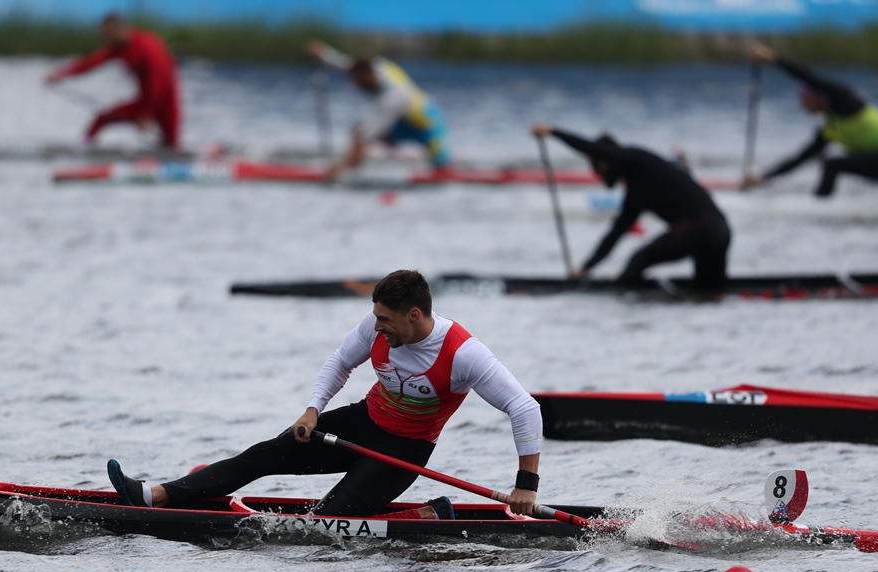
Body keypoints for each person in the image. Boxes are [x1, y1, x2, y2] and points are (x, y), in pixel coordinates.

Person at [108, 270, 543, 520]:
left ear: (414, 315)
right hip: (361, 423)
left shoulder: (463, 353)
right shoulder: (376, 325)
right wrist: (313, 410)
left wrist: (526, 485)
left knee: (327, 523)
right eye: (375, 317)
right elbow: (339, 362)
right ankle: (158, 495)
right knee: (263, 454)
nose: (377, 327)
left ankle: (427, 515)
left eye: (385, 319)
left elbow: (524, 407)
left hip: (404, 451)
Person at [531, 124, 732, 291]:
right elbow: (614, 235)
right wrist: (585, 269)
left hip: (701, 229)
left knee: (639, 260)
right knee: (707, 293)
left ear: (605, 162)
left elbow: (592, 149)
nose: (596, 174)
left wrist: (552, 132)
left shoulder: (637, 159)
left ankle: (625, 301)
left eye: (595, 166)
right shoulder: (636, 194)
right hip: (720, 231)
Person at [742, 43, 878, 197]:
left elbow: (809, 77)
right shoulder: (829, 131)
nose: (802, 104)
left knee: (833, 164)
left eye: (805, 99)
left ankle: (821, 202)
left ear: (818, 98)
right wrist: (762, 178)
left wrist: (774, 58)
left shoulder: (847, 103)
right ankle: (821, 199)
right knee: (828, 162)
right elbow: (799, 159)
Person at [306, 40, 451, 178]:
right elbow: (346, 65)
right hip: (402, 122)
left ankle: (349, 169)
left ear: (366, 76)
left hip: (429, 127)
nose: (354, 85)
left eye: (356, 81)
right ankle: (354, 167)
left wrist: (338, 167)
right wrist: (322, 53)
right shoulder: (377, 65)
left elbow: (369, 134)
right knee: (358, 133)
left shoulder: (392, 98)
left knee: (442, 168)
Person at [45, 14, 181, 149]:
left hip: (165, 102)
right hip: (145, 101)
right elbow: (91, 62)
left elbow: (158, 83)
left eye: (107, 36)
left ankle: (169, 154)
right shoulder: (118, 46)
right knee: (102, 118)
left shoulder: (147, 45)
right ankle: (83, 147)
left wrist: (146, 115)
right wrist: (60, 75)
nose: (105, 41)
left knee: (172, 144)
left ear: (118, 30)